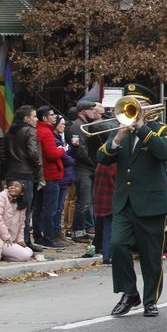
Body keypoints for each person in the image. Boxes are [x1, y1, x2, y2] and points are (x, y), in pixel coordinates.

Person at [97, 84, 167, 317]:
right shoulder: (120, 130)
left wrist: (141, 128)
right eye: (132, 104)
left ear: (149, 107)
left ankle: (150, 300)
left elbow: (164, 153)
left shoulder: (161, 129)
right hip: (124, 202)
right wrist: (117, 139)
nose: (135, 108)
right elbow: (102, 157)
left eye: (140, 103)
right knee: (117, 246)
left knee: (151, 256)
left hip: (151, 204)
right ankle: (130, 293)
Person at [4, 106, 43, 253]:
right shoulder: (29, 130)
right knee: (25, 210)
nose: (36, 119)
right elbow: (33, 153)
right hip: (25, 174)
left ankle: (12, 239)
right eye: (34, 116)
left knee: (12, 209)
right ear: (26, 118)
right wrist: (38, 168)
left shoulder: (9, 131)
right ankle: (25, 240)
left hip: (11, 173)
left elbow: (4, 153)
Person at [69, 98, 104, 241]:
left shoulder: (85, 125)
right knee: (83, 201)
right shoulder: (78, 127)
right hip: (82, 168)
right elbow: (79, 150)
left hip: (87, 167)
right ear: (84, 111)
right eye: (92, 110)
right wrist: (93, 163)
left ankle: (83, 229)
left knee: (87, 201)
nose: (94, 112)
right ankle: (77, 231)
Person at [0, 181, 45, 261]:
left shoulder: (21, 203)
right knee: (26, 255)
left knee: (29, 250)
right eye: (10, 185)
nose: (12, 187)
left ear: (22, 192)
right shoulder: (1, 197)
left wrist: (20, 240)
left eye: (16, 186)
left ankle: (1, 254)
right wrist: (6, 237)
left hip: (8, 239)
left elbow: (21, 224)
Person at [34, 106, 67, 249]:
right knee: (50, 208)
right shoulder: (46, 132)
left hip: (43, 175)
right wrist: (62, 149)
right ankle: (48, 237)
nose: (55, 117)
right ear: (45, 118)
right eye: (52, 115)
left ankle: (38, 235)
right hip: (51, 174)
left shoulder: (39, 130)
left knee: (39, 207)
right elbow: (52, 154)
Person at [54, 116, 75, 246]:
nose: (63, 127)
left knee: (61, 206)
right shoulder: (56, 140)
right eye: (61, 124)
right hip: (60, 176)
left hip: (66, 176)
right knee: (57, 207)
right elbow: (66, 159)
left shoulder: (61, 139)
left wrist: (73, 148)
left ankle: (59, 232)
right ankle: (55, 233)